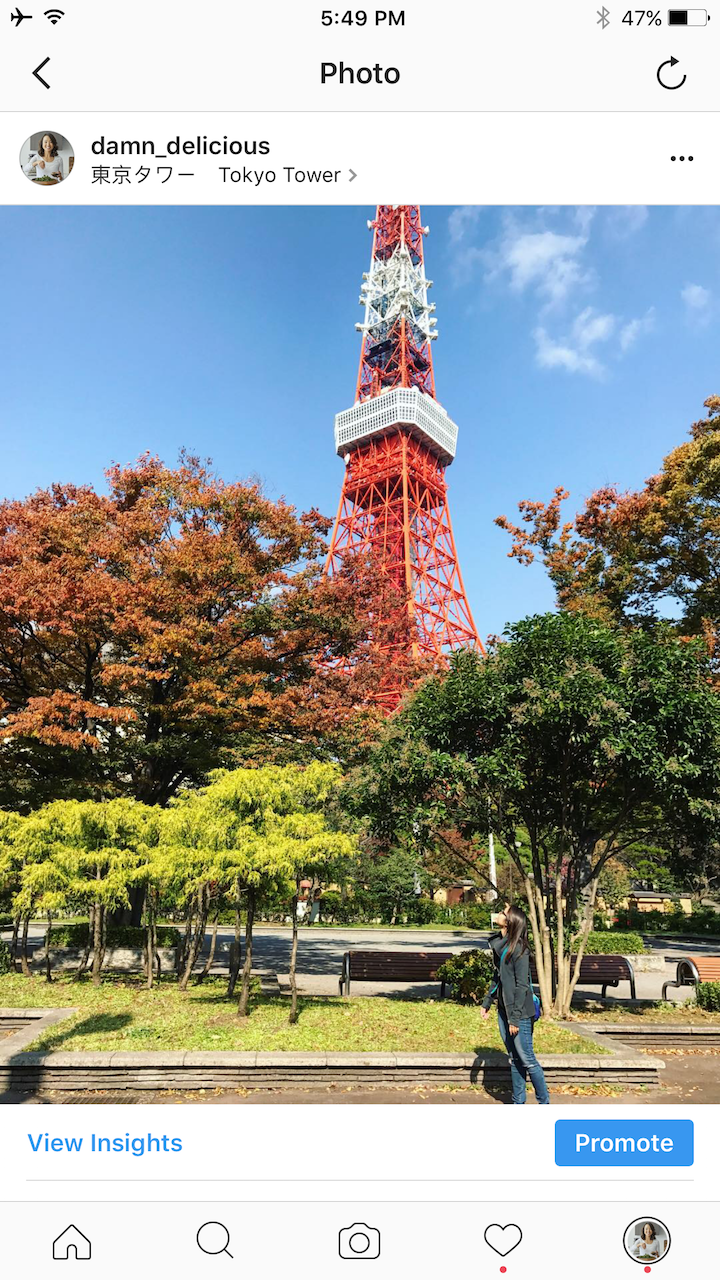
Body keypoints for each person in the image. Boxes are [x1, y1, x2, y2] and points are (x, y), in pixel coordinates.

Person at [481, 903, 550, 1105]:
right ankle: (517, 1102)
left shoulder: (520, 949)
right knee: (515, 1058)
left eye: (503, 914)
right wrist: (487, 1001)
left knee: (527, 1059)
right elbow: (498, 976)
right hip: (505, 1010)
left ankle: (544, 1103)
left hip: (519, 1013)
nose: (499, 914)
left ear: (510, 922)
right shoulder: (503, 945)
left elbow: (522, 987)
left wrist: (514, 1018)